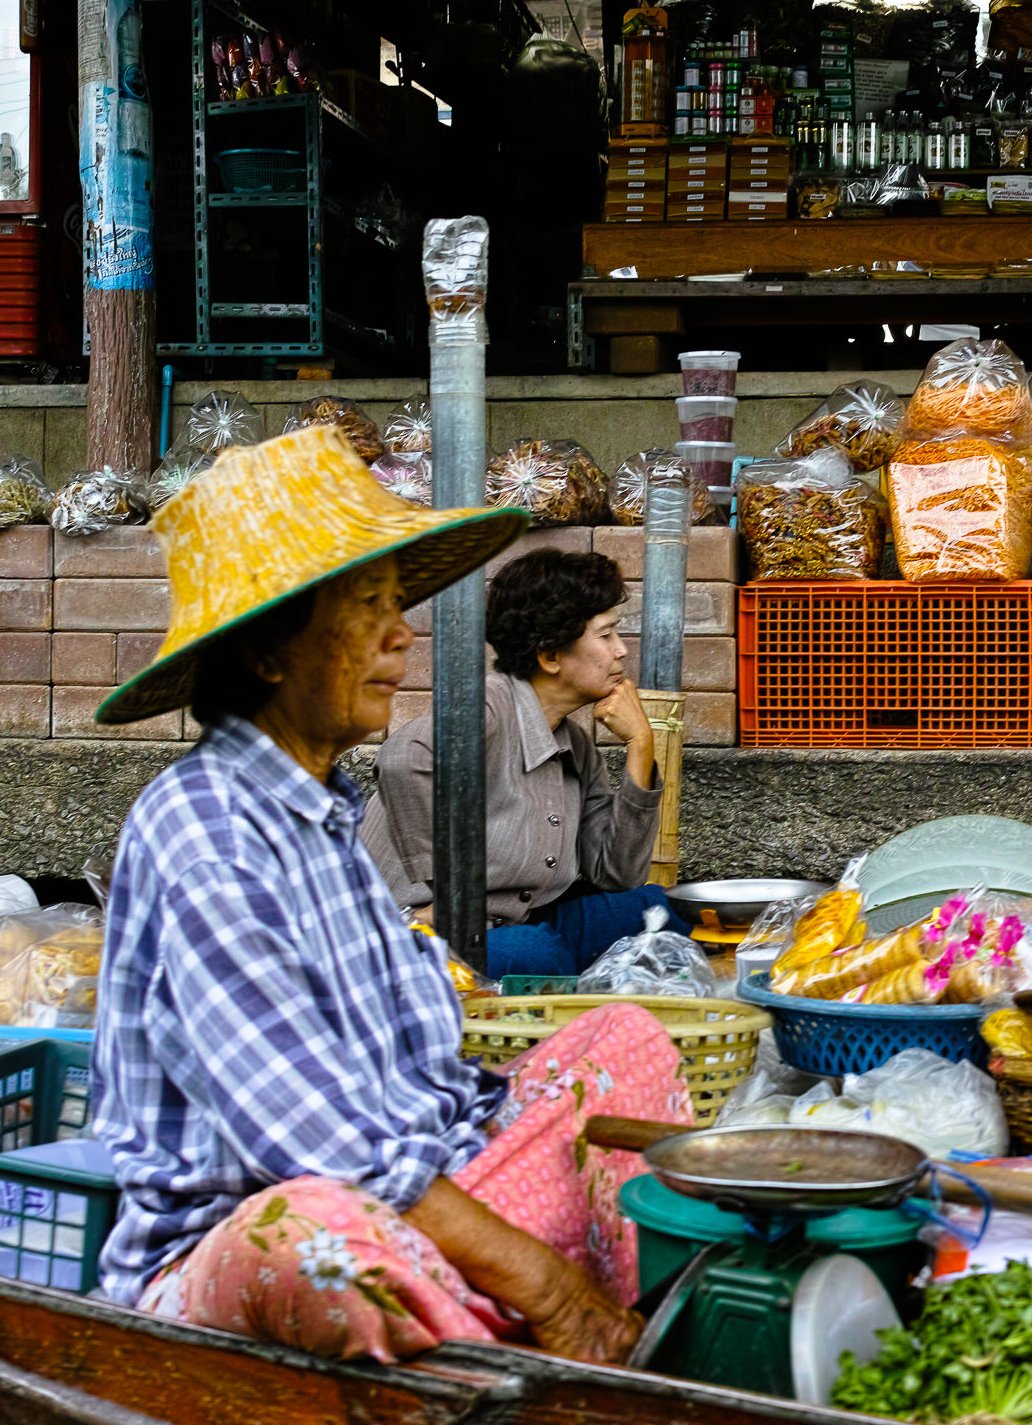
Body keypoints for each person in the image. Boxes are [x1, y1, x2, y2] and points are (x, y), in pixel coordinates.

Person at [87, 426, 695, 1366]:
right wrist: (541, 1278)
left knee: (624, 1039)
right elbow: (313, 1138)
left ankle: (529, 1304)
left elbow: (432, 1084)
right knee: (319, 1238)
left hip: (425, 1186)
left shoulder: (320, 813)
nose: (401, 634)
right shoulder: (206, 829)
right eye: (364, 608)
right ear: (266, 652)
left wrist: (517, 1125)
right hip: (269, 1232)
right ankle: (543, 1322)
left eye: (394, 603)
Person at [362, 549, 672, 978]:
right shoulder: (486, 709)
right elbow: (402, 758)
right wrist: (451, 898)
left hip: (512, 924)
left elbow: (616, 875)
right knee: (537, 956)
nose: (621, 652)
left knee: (656, 910)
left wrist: (641, 743)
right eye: (606, 636)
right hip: (413, 935)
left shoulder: (575, 745)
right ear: (550, 656)